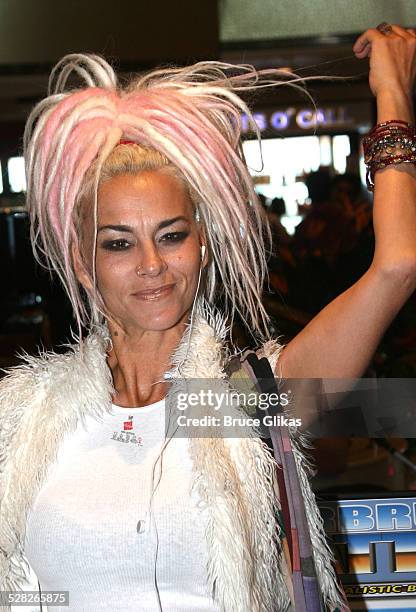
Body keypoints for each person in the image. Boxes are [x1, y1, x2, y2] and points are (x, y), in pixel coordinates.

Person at [0, 22, 415, 612]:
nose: (151, 265)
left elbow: (398, 267)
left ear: (202, 246)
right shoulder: (23, 417)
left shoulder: (245, 400)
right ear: (82, 262)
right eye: (118, 243)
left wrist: (394, 94)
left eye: (171, 236)